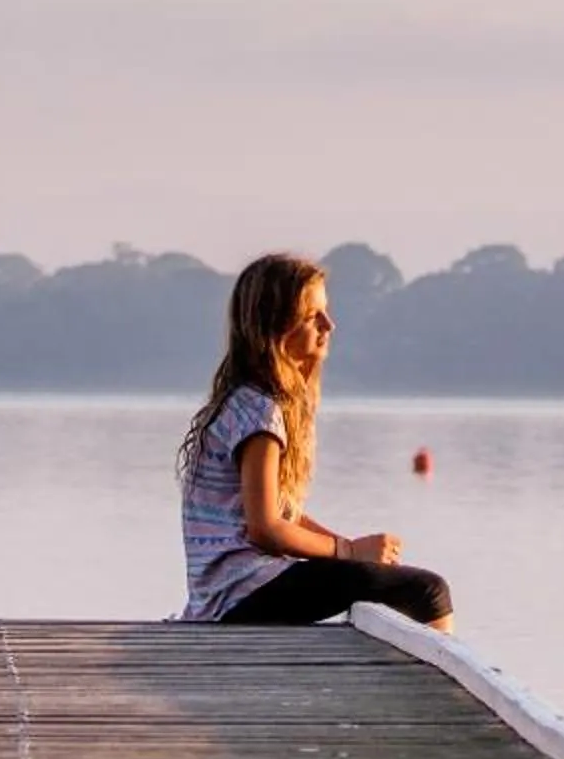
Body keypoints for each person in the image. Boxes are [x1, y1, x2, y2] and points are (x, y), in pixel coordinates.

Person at [176, 252, 454, 630]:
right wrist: (348, 551)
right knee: (427, 591)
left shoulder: (246, 402)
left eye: (326, 312)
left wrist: (351, 551)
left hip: (236, 593)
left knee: (390, 584)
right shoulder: (259, 412)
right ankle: (437, 673)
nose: (329, 324)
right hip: (240, 594)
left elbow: (281, 515)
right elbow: (265, 528)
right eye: (313, 316)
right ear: (276, 327)